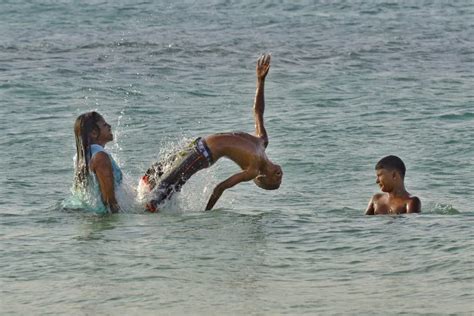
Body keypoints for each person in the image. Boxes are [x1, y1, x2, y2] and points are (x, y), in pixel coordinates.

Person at [141, 53, 282, 212]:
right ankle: (137, 195)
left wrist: (206, 213)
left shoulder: (252, 170)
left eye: (276, 181)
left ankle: (147, 212)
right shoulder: (263, 141)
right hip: (199, 144)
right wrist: (261, 81)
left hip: (204, 156)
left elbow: (221, 187)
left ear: (263, 178)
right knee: (157, 170)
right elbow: (258, 111)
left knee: (170, 183)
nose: (279, 176)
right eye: (280, 178)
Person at [73, 111, 122, 213]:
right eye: (104, 125)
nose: (109, 126)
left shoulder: (83, 155)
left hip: (86, 213)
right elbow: (109, 202)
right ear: (94, 133)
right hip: (98, 216)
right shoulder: (100, 157)